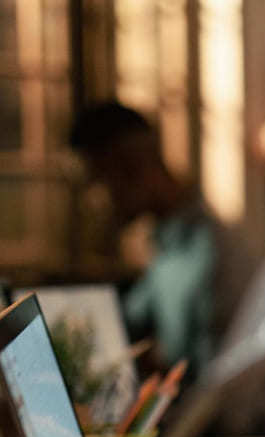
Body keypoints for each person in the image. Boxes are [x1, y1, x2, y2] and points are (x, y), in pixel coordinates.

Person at [69, 101, 250, 378]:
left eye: (100, 182)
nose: (97, 202)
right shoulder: (167, 242)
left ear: (132, 167)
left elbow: (211, 385)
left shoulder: (204, 251)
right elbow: (129, 316)